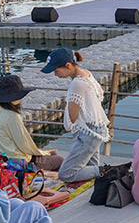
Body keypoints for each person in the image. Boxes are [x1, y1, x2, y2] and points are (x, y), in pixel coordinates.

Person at [41, 48, 109, 182]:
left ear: (68, 65)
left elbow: (72, 116)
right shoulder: (87, 74)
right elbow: (100, 95)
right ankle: (101, 172)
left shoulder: (77, 83)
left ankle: (106, 170)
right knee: (90, 166)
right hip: (97, 128)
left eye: (56, 70)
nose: (55, 74)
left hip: (87, 132)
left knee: (66, 173)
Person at [0, 74, 63, 171]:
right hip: (11, 162)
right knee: (59, 159)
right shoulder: (11, 115)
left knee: (51, 154)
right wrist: (41, 153)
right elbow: (24, 144)